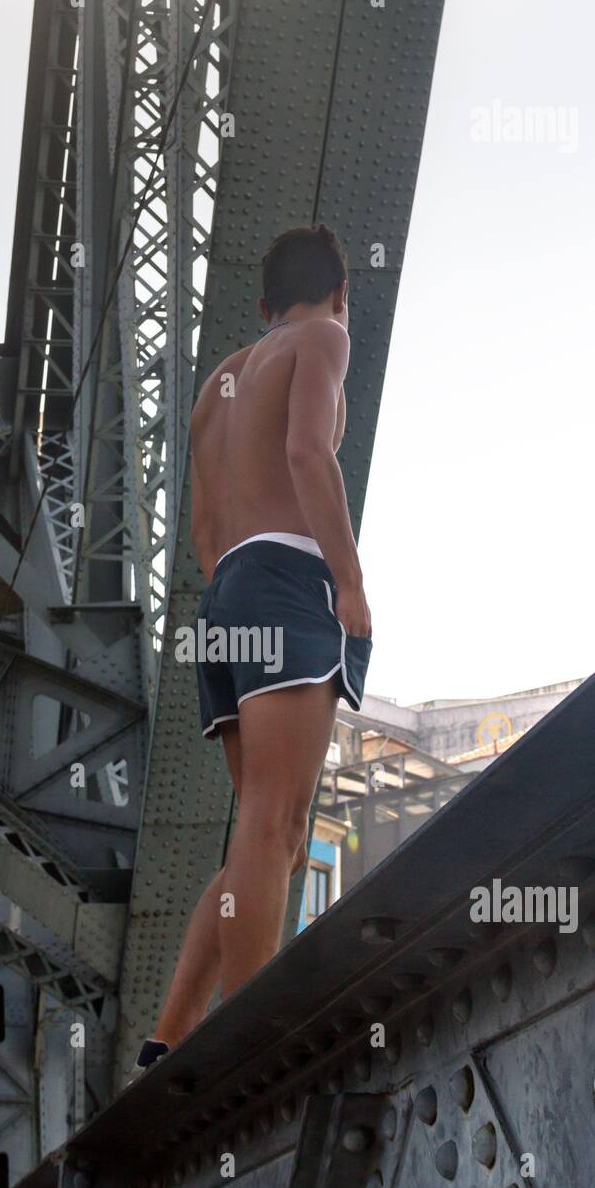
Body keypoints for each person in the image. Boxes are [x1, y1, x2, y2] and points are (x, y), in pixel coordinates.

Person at [131, 224, 372, 1080]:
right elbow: (309, 453)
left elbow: (200, 534)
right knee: (281, 825)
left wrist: (238, 595)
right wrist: (346, 581)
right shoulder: (326, 337)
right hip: (286, 579)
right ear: (340, 295)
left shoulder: (218, 387)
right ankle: (255, 1042)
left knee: (251, 836)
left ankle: (172, 1034)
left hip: (226, 594)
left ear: (263, 305)